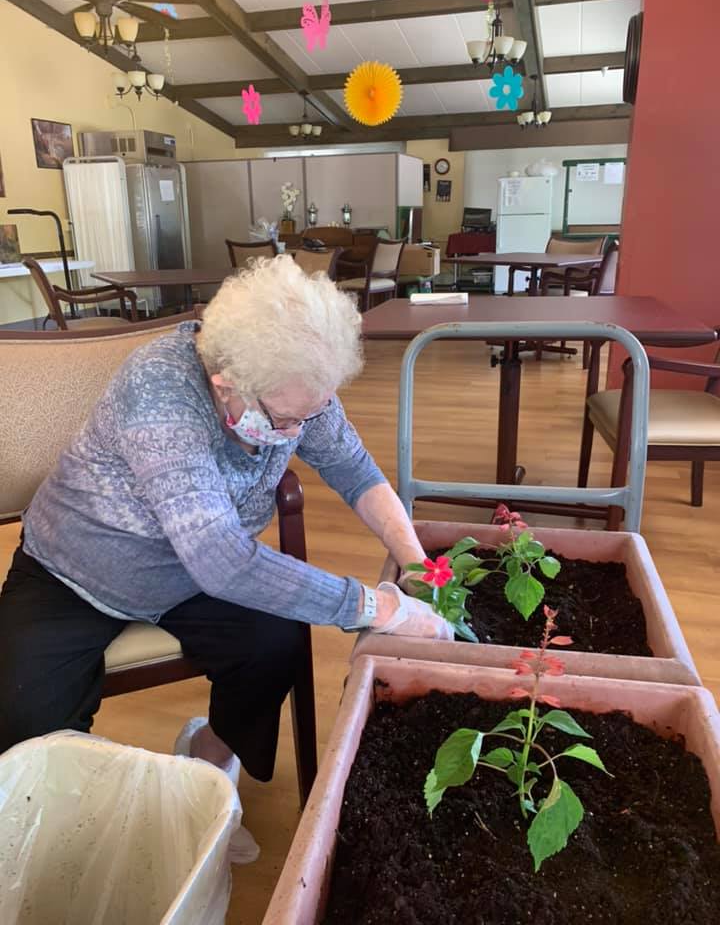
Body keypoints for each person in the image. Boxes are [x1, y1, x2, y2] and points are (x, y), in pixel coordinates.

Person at [0, 255, 451, 862]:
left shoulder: (294, 382)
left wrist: (418, 565)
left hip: (190, 574)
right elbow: (223, 561)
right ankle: (78, 834)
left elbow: (353, 468)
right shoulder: (160, 393)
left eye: (308, 415)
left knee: (275, 645)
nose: (295, 431)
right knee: (23, 713)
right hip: (75, 569)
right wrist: (376, 608)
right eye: (284, 418)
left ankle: (208, 762)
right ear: (224, 382)